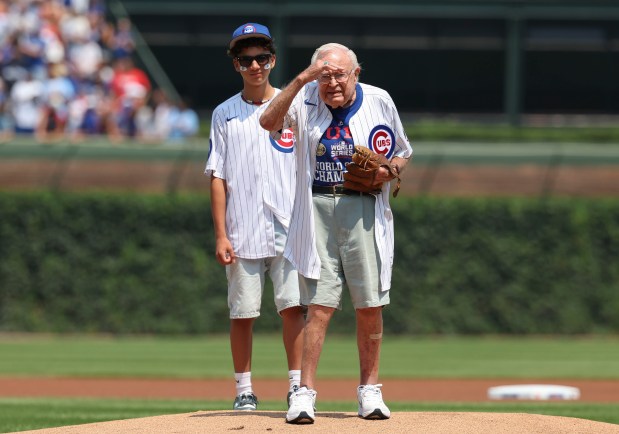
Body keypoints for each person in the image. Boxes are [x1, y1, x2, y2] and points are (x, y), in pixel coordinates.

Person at [260, 43, 412, 424]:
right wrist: (300, 80)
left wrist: (389, 171)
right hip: (316, 209)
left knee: (370, 304)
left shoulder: (378, 100)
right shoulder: (304, 97)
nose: (332, 83)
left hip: (364, 208)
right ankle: (304, 394)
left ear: (355, 73)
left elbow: (403, 152)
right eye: (324, 75)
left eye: (339, 75)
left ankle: (370, 391)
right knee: (320, 306)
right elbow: (267, 122)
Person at [204, 23, 305, 412]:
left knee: (293, 307)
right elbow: (218, 176)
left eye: (261, 57)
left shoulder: (293, 107)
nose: (255, 65)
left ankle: (298, 386)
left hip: (288, 223)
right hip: (243, 225)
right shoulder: (224, 114)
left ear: (273, 60)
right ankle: (243, 388)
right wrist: (220, 234)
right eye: (246, 59)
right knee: (242, 312)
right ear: (236, 65)